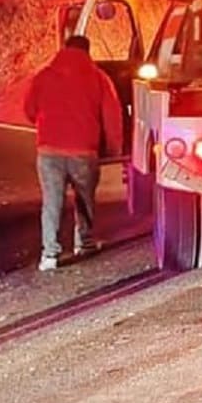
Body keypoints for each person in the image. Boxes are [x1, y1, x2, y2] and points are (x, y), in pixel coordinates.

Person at [23, 35, 124, 271]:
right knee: (84, 200)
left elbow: (29, 109)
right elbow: (112, 115)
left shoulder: (44, 76)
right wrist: (113, 147)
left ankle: (50, 254)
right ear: (88, 52)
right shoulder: (99, 78)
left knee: (52, 202)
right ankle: (84, 243)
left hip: (49, 151)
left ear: (64, 49)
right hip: (84, 151)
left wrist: (45, 125)